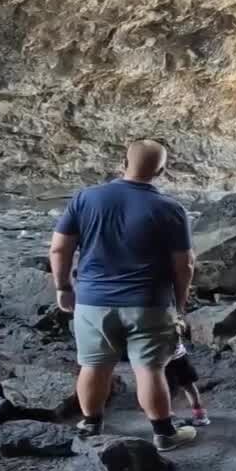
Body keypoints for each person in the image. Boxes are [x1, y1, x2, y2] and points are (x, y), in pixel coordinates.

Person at [48, 139, 198, 451]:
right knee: (150, 369)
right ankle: (163, 433)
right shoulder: (170, 209)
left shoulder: (85, 198)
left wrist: (63, 288)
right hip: (149, 304)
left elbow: (60, 248)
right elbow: (184, 266)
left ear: (123, 162)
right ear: (160, 170)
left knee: (93, 365)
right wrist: (179, 306)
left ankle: (91, 426)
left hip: (93, 302)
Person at [166, 318, 210, 427]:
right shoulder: (170, 311)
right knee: (187, 385)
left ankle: (168, 416)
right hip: (178, 355)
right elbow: (181, 326)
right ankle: (199, 414)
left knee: (169, 390)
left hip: (168, 359)